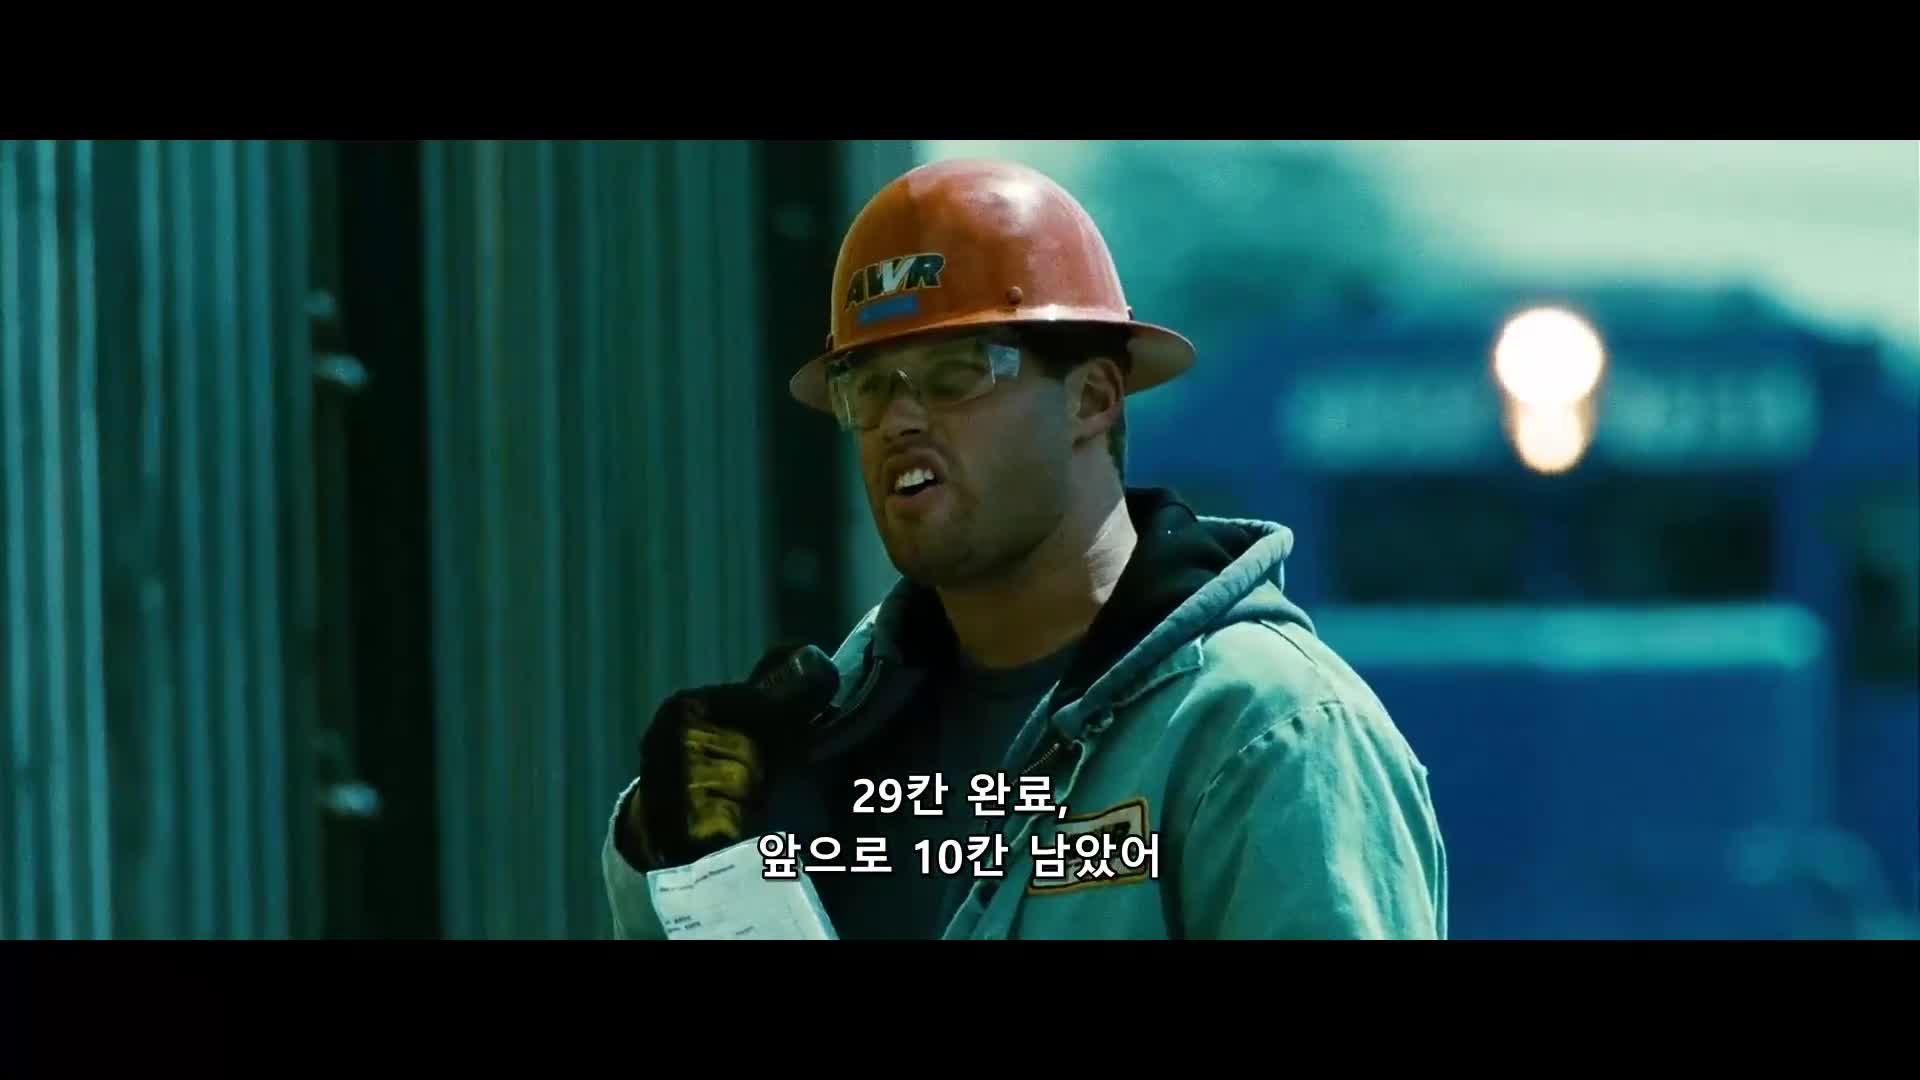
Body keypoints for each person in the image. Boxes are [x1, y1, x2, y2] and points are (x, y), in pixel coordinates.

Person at [601, 158, 1448, 940]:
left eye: (956, 374)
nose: (900, 420)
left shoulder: (1263, 733)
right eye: (870, 388)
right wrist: (682, 857)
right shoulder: (835, 744)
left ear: (1093, 398)